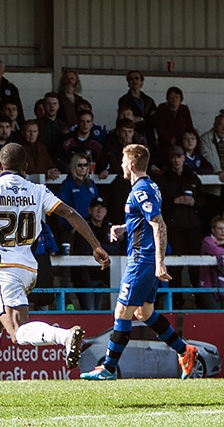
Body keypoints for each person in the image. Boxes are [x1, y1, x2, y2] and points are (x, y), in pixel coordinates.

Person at [0, 143, 110, 403]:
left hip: (3, 269)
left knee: (18, 333)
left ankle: (64, 336)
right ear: (25, 167)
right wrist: (96, 246)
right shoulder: (37, 190)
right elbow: (69, 213)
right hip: (30, 268)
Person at [80, 144, 198, 381]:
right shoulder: (149, 186)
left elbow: (159, 223)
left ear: (131, 165)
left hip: (142, 260)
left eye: (123, 161)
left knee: (122, 311)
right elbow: (145, 220)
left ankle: (109, 368)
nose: (121, 165)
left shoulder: (141, 190)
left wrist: (159, 262)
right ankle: (185, 351)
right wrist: (125, 228)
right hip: (145, 258)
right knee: (145, 312)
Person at [156, 145, 204, 310]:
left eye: (179, 156)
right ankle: (175, 301)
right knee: (174, 267)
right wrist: (173, 202)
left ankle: (200, 301)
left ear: (184, 158)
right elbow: (157, 205)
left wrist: (195, 203)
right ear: (170, 160)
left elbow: (204, 201)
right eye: (173, 157)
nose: (176, 160)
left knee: (196, 267)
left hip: (192, 228)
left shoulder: (193, 178)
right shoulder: (163, 180)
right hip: (173, 228)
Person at [72, 197, 122, 310]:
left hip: (103, 277)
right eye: (96, 208)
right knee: (90, 310)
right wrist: (102, 247)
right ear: (90, 210)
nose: (99, 211)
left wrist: (96, 245)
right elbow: (85, 250)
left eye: (102, 208)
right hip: (85, 277)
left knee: (98, 310)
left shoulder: (109, 227)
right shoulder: (83, 226)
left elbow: (116, 248)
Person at [154, 86, 194, 169]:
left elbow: (189, 126)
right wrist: (169, 139)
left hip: (182, 142)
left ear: (181, 98)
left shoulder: (184, 109)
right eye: (171, 97)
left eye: (176, 97)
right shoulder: (162, 109)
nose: (174, 99)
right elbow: (160, 127)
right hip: (165, 143)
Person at [117, 70, 157, 148]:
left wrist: (141, 119)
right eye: (131, 79)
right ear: (128, 83)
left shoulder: (149, 100)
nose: (134, 81)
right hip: (133, 135)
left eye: (137, 78)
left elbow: (155, 119)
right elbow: (124, 119)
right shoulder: (124, 100)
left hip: (149, 135)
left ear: (141, 82)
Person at [198, 215, 224, 309]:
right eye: (220, 228)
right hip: (208, 286)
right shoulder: (207, 241)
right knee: (214, 315)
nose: (222, 231)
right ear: (213, 230)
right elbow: (215, 250)